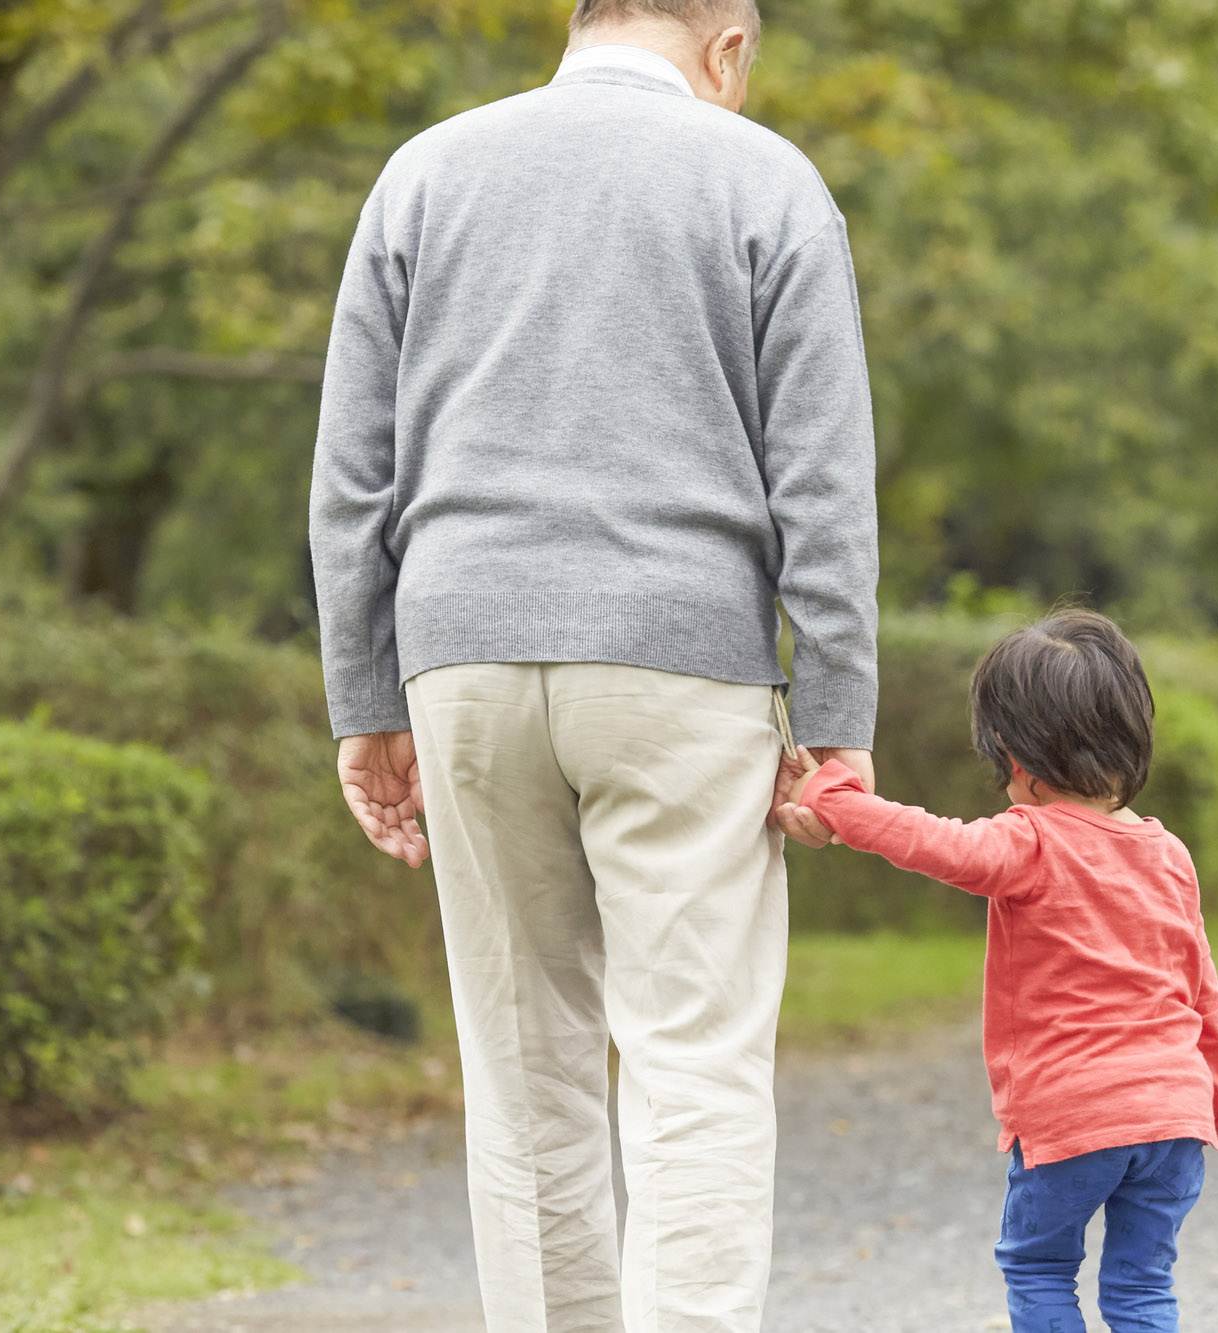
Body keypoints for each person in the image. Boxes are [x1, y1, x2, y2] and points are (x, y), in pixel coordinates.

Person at [305, 0, 879, 1326]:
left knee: (524, 1070)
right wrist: (837, 711)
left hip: (462, 656)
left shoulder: (425, 176)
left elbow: (351, 485)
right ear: (727, 47)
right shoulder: (767, 182)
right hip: (686, 668)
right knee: (695, 1061)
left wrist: (366, 699)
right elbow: (826, 491)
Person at [777, 609, 1218, 1333]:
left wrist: (832, 794)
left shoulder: (1029, 841)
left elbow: (925, 840)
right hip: (1174, 1120)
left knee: (1039, 1268)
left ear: (1014, 757)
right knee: (1141, 1285)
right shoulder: (1168, 855)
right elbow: (1203, 995)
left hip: (1073, 1117)